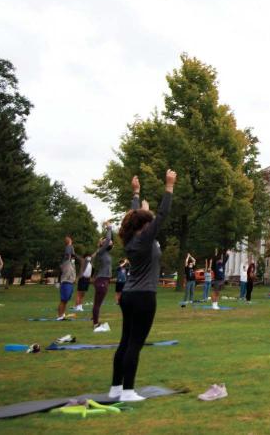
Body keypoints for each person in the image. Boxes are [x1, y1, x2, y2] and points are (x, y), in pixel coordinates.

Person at [110, 170, 175, 402]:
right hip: (144, 296)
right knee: (135, 344)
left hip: (128, 295)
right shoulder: (145, 238)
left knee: (125, 342)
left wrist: (136, 194)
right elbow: (163, 214)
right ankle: (128, 391)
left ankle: (115, 388)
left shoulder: (130, 239)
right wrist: (169, 187)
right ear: (144, 224)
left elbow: (132, 215)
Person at [92, 222, 114, 328]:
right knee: (97, 303)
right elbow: (109, 240)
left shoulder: (105, 253)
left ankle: (95, 321)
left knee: (98, 303)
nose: (109, 242)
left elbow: (109, 241)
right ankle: (96, 323)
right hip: (101, 280)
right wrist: (109, 228)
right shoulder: (101, 251)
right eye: (105, 241)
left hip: (104, 280)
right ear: (102, 244)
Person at [58, 235, 79, 320]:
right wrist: (69, 243)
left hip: (70, 282)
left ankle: (62, 314)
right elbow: (68, 251)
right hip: (66, 282)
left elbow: (72, 253)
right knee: (63, 300)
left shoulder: (72, 262)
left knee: (66, 300)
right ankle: (59, 316)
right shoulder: (66, 260)